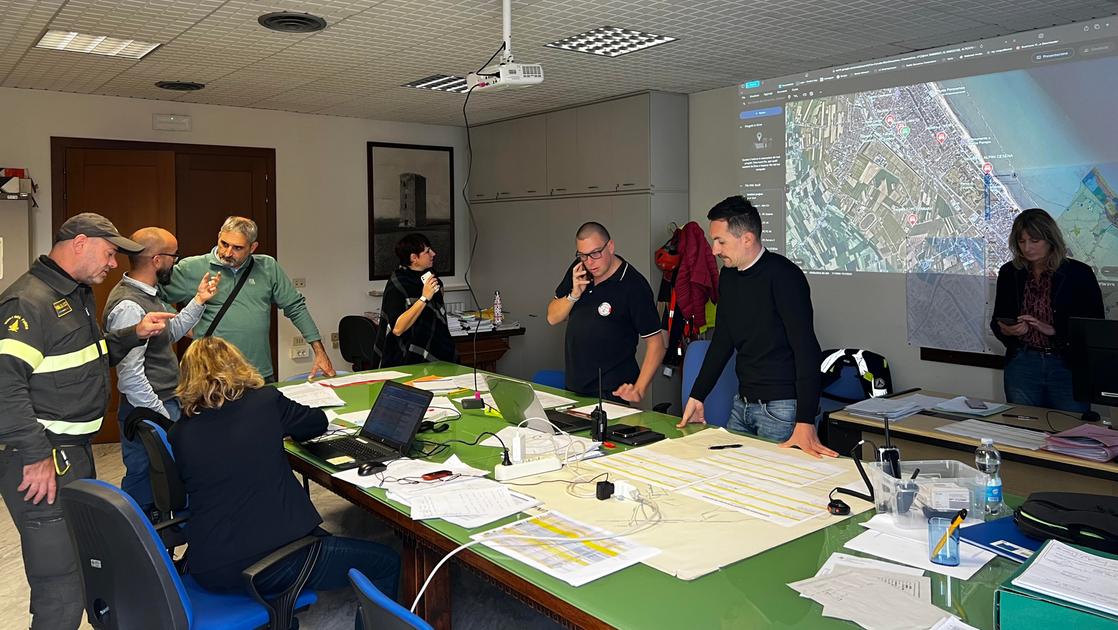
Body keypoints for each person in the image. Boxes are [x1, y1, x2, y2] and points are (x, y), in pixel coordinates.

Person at [0, 212, 175, 630]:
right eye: (110, 253)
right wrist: (36, 454)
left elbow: (86, 358)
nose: (113, 264)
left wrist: (134, 332)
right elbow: (6, 386)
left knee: (82, 566)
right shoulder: (28, 301)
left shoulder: (74, 293)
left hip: (72, 453)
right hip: (41, 459)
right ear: (80, 243)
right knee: (59, 586)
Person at [168, 336, 400, 614]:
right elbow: (316, 422)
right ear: (236, 364)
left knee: (321, 537)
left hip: (207, 565)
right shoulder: (264, 402)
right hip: (270, 562)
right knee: (387, 562)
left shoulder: (179, 433)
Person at [677, 196, 837, 459]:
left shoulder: (784, 276)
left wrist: (805, 420)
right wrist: (698, 395)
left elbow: (806, 348)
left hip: (781, 410)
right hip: (742, 403)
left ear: (747, 239)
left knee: (775, 487)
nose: (715, 250)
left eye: (721, 241)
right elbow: (722, 342)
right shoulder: (728, 276)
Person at [104, 227, 221, 513]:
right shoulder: (130, 305)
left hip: (162, 402)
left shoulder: (147, 294)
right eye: (173, 255)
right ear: (157, 260)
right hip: (147, 409)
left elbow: (169, 334)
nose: (176, 262)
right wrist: (164, 419)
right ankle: (138, 543)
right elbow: (130, 376)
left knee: (164, 478)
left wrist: (199, 301)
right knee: (144, 481)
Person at [161, 216, 334, 382]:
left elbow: (295, 307)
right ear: (219, 237)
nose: (228, 253)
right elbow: (152, 296)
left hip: (258, 373)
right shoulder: (192, 268)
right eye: (224, 244)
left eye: (237, 248)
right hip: (212, 376)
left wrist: (319, 352)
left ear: (252, 248)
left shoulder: (267, 267)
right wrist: (181, 326)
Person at [990, 208, 1104, 414]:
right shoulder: (1010, 272)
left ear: (1050, 239)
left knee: (1070, 431)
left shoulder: (1079, 274)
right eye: (1022, 242)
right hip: (1023, 363)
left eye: (1034, 241)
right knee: (1023, 429)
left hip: (1066, 365)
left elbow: (1094, 327)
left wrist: (1053, 330)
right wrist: (1010, 331)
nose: (1027, 248)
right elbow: (997, 320)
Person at [547, 222, 666, 403]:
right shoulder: (580, 270)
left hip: (611, 392)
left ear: (610, 246)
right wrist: (573, 295)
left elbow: (656, 343)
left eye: (595, 253)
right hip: (574, 387)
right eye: (583, 255)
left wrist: (639, 388)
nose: (590, 262)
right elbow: (552, 317)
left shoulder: (633, 285)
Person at [375, 233, 457, 367]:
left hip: (437, 351)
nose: (433, 254)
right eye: (427, 251)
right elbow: (397, 328)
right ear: (414, 258)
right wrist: (424, 298)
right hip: (405, 357)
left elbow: (437, 317)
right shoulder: (397, 283)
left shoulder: (432, 279)